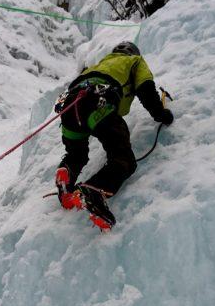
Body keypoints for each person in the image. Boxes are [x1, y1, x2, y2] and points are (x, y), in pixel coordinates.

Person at [54, 41, 173, 229]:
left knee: (76, 154)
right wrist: (162, 115)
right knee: (123, 159)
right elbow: (146, 88)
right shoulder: (135, 61)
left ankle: (66, 178)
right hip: (97, 104)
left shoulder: (98, 65)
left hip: (69, 109)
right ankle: (92, 191)